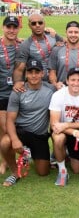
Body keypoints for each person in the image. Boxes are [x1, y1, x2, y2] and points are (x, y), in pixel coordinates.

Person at [1, 59, 55, 186]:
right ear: (26, 74)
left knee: (43, 172)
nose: (34, 75)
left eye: (37, 72)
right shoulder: (18, 92)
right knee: (5, 142)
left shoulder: (51, 90)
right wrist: (14, 140)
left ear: (42, 73)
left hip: (39, 136)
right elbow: (10, 120)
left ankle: (28, 154)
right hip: (22, 131)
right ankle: (15, 173)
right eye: (30, 72)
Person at [49, 68, 79, 186]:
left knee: (77, 170)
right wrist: (74, 132)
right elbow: (54, 124)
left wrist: (67, 125)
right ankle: (62, 171)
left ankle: (63, 153)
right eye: (73, 80)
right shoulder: (58, 95)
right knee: (59, 139)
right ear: (67, 81)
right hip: (61, 131)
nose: (76, 83)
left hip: (76, 130)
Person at [13, 13, 64, 91]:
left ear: (44, 23)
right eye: (33, 23)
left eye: (40, 22)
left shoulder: (53, 36)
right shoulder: (25, 45)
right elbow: (19, 69)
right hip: (39, 85)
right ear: (29, 25)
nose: (37, 25)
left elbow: (67, 43)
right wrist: (17, 82)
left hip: (57, 82)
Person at [0, 16, 21, 174]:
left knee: (12, 129)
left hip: (17, 94)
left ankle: (7, 160)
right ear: (3, 28)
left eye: (15, 27)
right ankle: (6, 161)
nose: (12, 30)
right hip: (1, 94)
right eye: (9, 27)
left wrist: (54, 33)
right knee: (4, 130)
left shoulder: (21, 45)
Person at [48, 21, 79, 90]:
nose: (73, 35)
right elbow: (52, 72)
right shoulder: (56, 50)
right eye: (70, 32)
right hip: (62, 90)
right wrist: (56, 85)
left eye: (76, 32)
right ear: (66, 33)